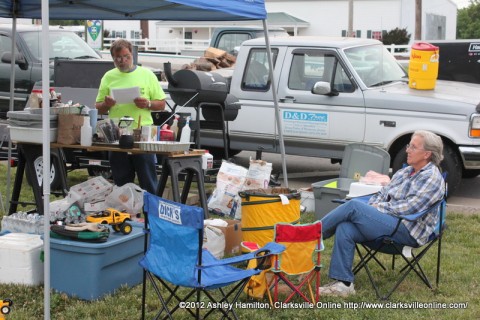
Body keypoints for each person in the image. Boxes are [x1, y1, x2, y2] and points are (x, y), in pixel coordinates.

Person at [319, 130, 446, 297]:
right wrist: (377, 206)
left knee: (354, 207)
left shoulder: (431, 178)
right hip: (389, 223)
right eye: (409, 145)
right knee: (345, 226)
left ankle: (310, 236)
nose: (407, 150)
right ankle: (343, 284)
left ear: (427, 154)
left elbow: (409, 208)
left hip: (407, 230)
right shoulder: (405, 172)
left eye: (413, 147)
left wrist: (377, 208)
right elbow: (382, 193)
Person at [96, 39, 166, 194]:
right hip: (118, 134)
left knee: (148, 181)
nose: (122, 61)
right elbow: (98, 105)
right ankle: (126, 216)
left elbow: (161, 104)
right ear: (113, 58)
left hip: (142, 134)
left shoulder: (146, 74)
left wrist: (147, 104)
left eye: (126, 56)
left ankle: (150, 215)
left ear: (132, 54)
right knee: (121, 183)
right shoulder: (108, 77)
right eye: (118, 58)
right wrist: (107, 104)